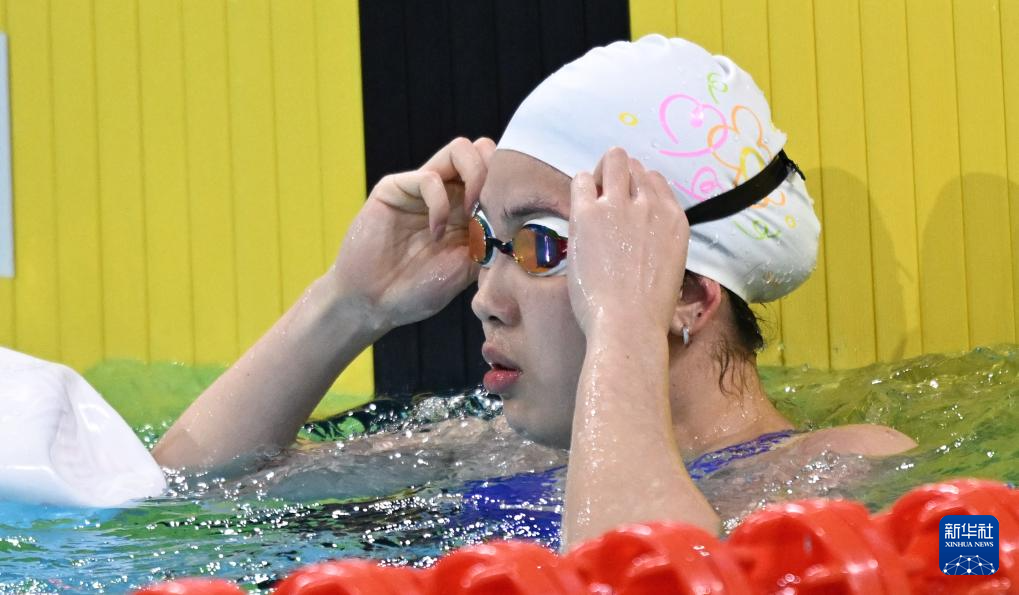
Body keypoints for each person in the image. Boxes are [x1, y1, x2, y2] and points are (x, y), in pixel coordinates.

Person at [152, 35, 915, 549]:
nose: (485, 297)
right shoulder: (489, 449)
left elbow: (638, 575)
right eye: (488, 240)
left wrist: (623, 323)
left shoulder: (839, 468)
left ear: (687, 293)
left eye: (541, 245)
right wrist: (348, 304)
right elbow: (187, 496)